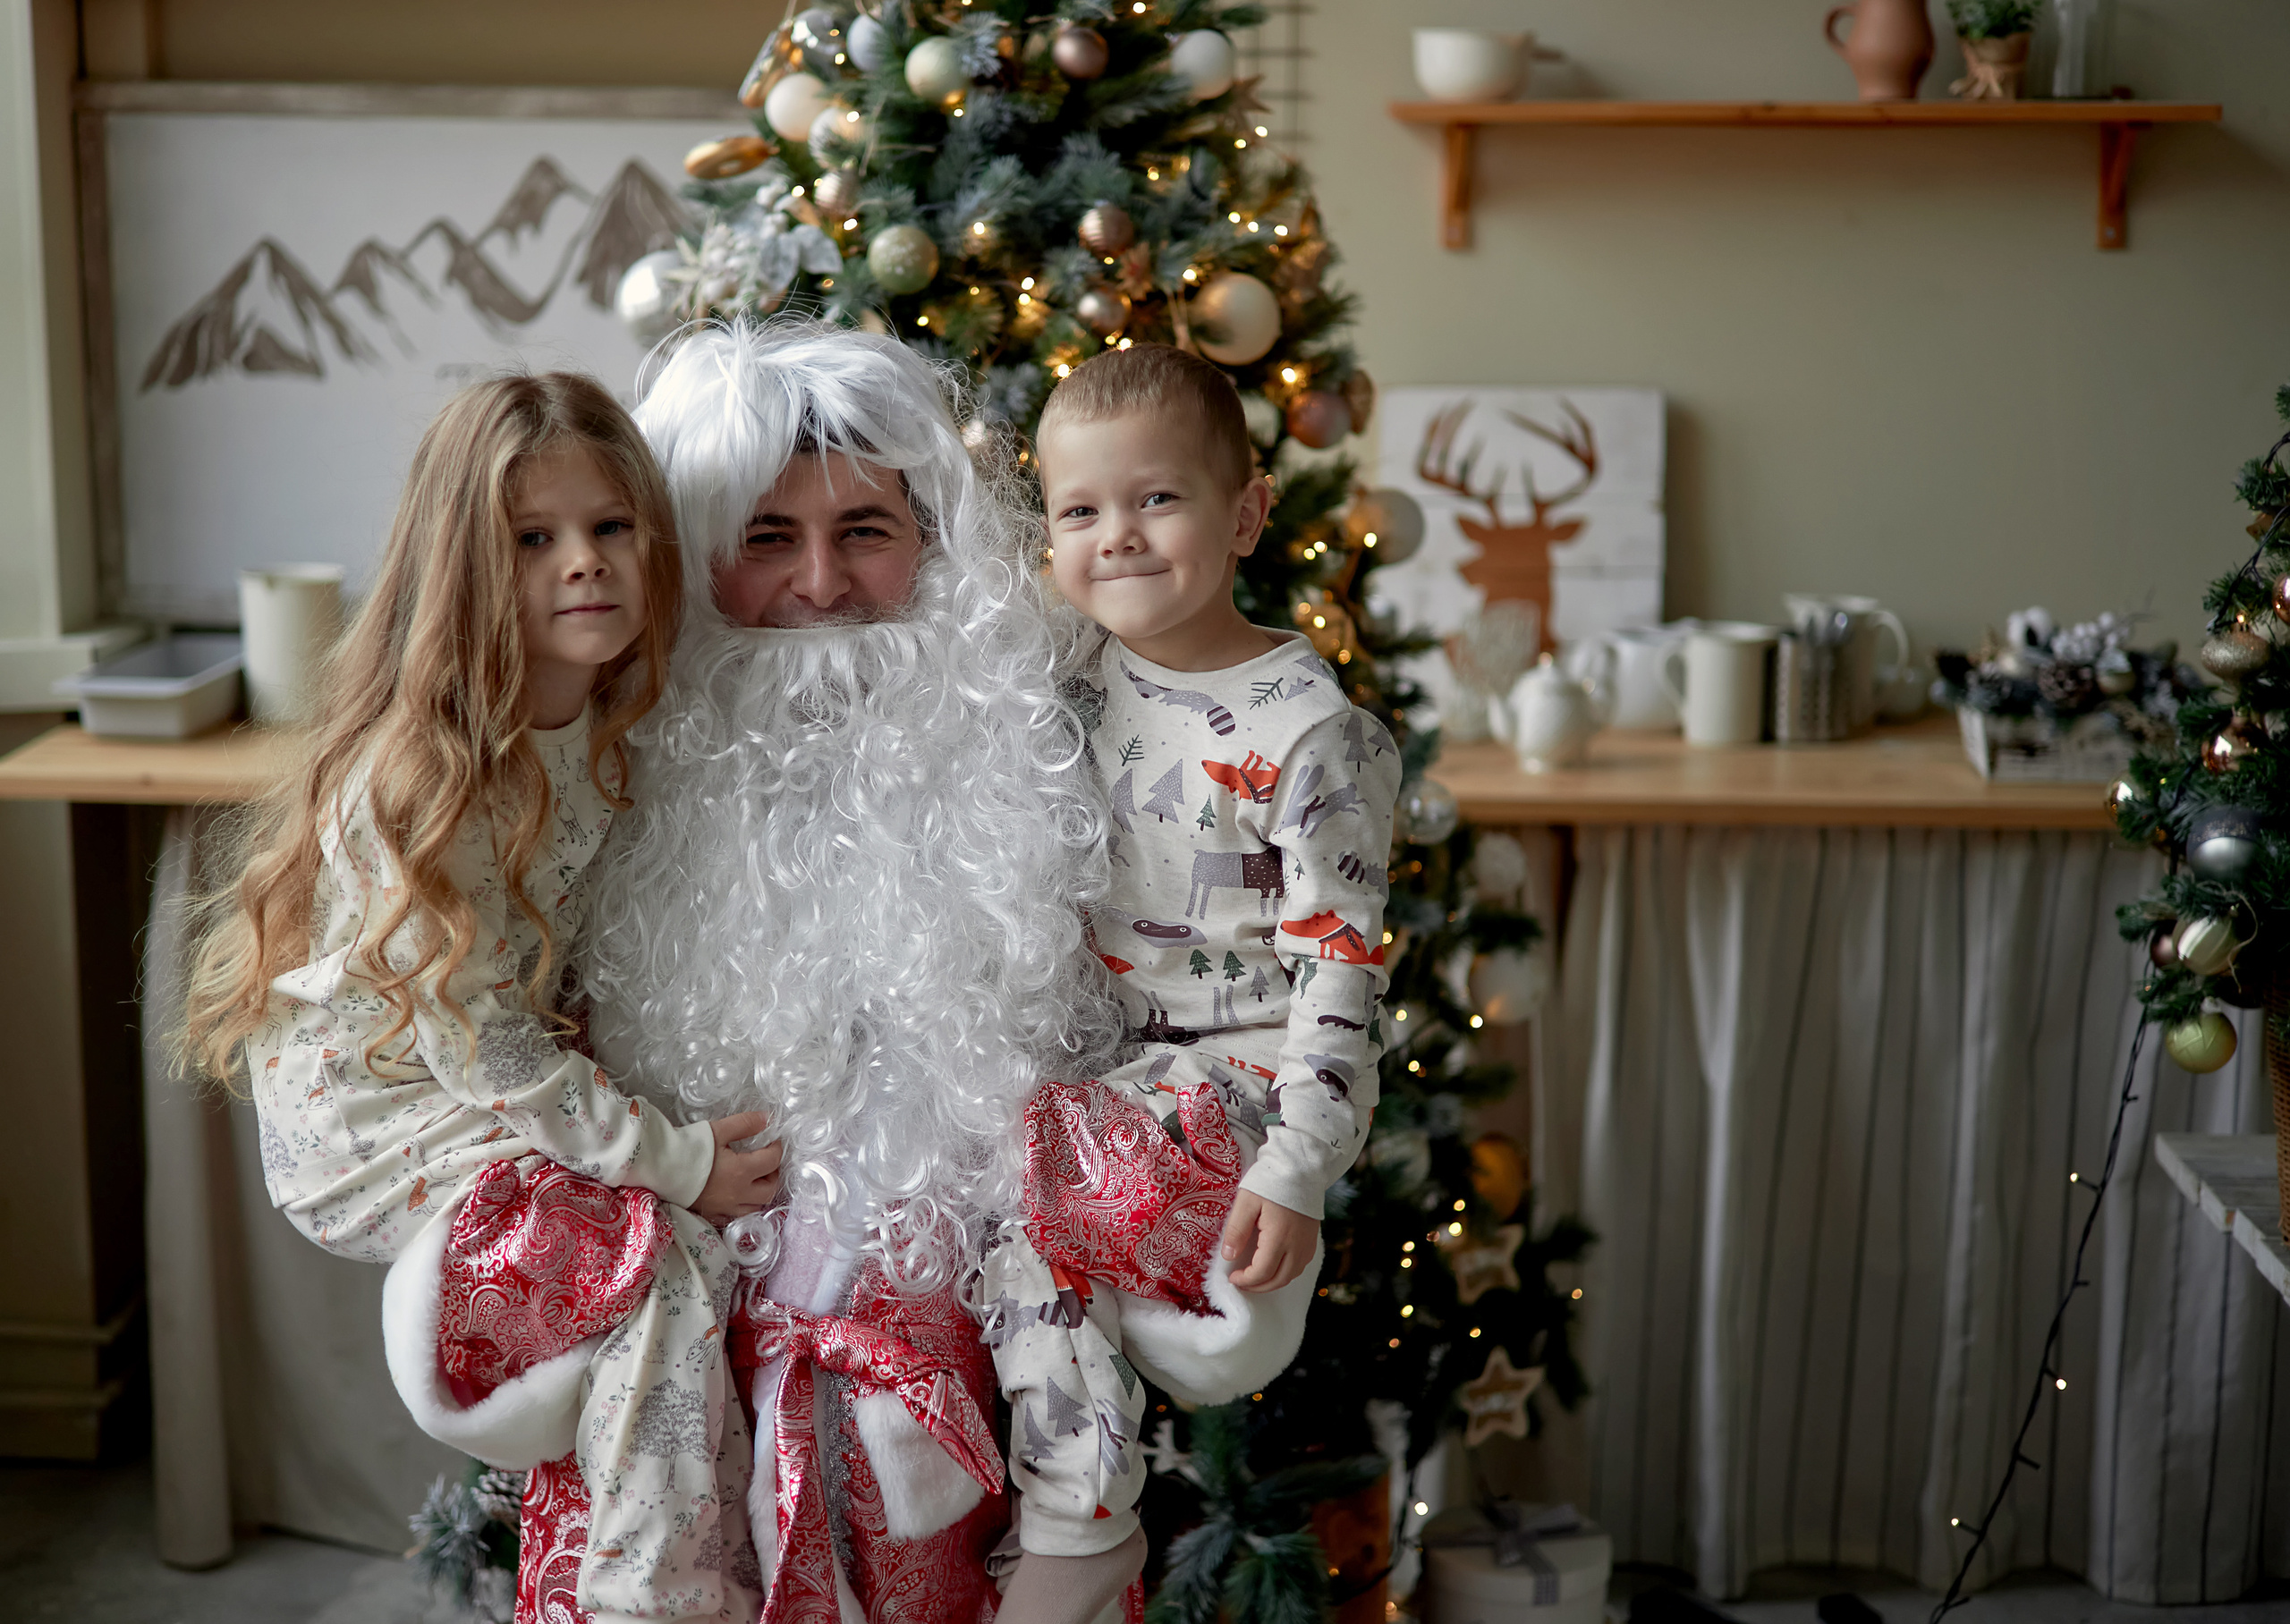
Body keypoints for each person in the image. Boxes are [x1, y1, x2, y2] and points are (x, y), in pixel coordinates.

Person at [178, 373, 780, 1624]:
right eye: (532, 539)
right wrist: (668, 1159)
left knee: (687, 1258)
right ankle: (646, 1600)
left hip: (457, 1075)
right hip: (368, 1117)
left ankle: (642, 1562)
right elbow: (488, 1039)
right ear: (463, 564)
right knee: (651, 1265)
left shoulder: (599, 727)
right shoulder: (431, 778)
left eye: (611, 527)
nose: (583, 565)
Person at [1011, 342, 1398, 1552]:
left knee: (1035, 1193)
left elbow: (1341, 967)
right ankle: (1050, 1503)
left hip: (1237, 1073)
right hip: (1105, 1057)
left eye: (1156, 498)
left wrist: (1297, 1167)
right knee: (982, 1196)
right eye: (1081, 510)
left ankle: (1082, 1525)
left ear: (1246, 515)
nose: (1116, 535)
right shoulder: (1073, 679)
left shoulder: (1312, 734)